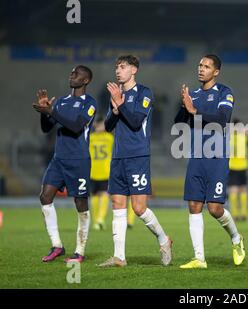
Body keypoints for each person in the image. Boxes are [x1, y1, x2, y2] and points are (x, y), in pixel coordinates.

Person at [99, 55, 172, 267]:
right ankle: (119, 257)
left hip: (137, 155)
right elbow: (108, 126)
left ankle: (163, 239)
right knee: (117, 204)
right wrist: (114, 108)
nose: (118, 71)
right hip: (118, 155)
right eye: (116, 67)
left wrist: (120, 105)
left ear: (134, 70)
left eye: (122, 67)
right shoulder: (117, 94)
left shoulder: (144, 93)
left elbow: (135, 121)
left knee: (139, 208)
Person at [175, 54, 245, 269]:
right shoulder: (193, 94)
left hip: (216, 157)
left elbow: (223, 119)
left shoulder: (225, 92)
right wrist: (184, 106)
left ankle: (236, 238)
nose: (201, 69)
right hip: (196, 156)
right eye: (199, 65)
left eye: (206, 66)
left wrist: (194, 110)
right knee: (194, 205)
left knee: (214, 208)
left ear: (216, 72)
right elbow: (179, 123)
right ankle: (199, 258)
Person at [33, 65, 96, 263]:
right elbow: (46, 129)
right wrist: (45, 112)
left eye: (76, 74)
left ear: (85, 80)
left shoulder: (90, 103)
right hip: (59, 159)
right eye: (71, 73)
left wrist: (52, 111)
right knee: (45, 197)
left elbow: (77, 127)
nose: (72, 75)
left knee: (80, 203)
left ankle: (80, 251)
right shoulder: (61, 101)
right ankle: (57, 245)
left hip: (79, 161)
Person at [89, 116, 114, 230]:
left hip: (100, 171)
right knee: (97, 195)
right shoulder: (110, 138)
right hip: (97, 170)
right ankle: (98, 219)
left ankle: (99, 220)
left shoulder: (90, 138)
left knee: (102, 194)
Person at [228, 118, 248, 222]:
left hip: (232, 166)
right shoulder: (244, 136)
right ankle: (244, 213)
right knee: (243, 189)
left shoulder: (229, 137)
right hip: (243, 165)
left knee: (233, 190)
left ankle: (235, 214)